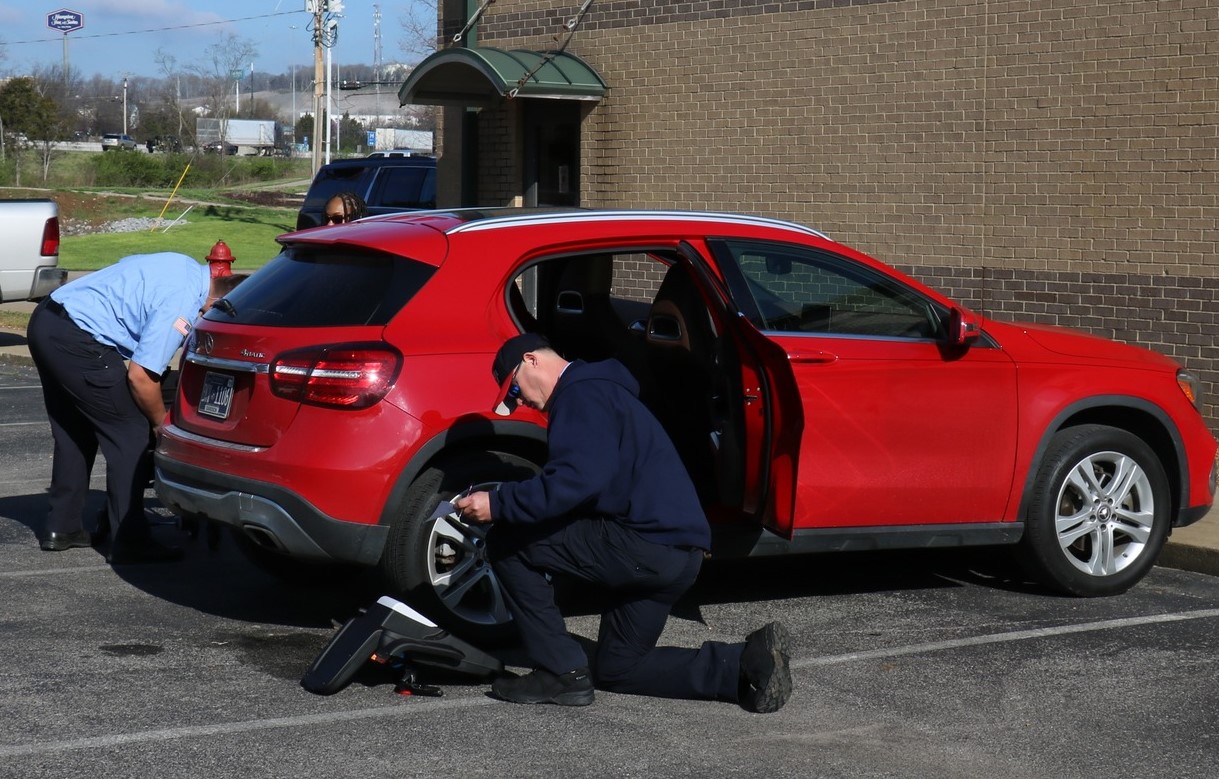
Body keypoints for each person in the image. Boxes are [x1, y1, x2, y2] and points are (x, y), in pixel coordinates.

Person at [454, 333, 793, 712]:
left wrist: (498, 503)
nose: (520, 400)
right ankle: (743, 665)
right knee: (620, 667)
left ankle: (559, 673)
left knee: (507, 543)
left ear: (532, 360)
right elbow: (590, 483)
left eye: (514, 387)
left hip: (645, 545)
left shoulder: (580, 395)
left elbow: (575, 480)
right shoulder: (603, 392)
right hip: (678, 555)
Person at [28, 252, 248, 564]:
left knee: (73, 428)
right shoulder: (182, 303)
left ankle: (62, 527)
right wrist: (160, 425)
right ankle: (130, 540)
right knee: (130, 433)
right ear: (216, 306)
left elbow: (125, 268)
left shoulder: (183, 265)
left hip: (47, 320)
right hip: (79, 339)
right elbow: (141, 377)